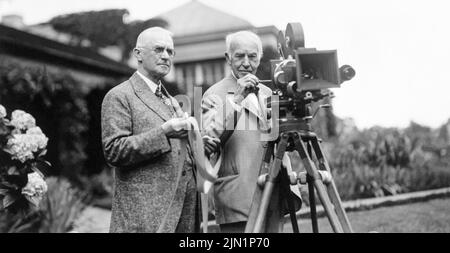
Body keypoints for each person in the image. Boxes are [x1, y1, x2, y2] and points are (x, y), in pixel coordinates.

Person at [101, 27, 218, 233]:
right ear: (138, 54)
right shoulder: (119, 96)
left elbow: (177, 149)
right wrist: (163, 132)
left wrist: (197, 144)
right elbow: (114, 151)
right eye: (158, 49)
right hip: (147, 217)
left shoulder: (171, 100)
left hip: (186, 213)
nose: (166, 56)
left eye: (170, 51)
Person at [202, 31, 283, 233]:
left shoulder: (267, 93)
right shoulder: (213, 94)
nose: (246, 63)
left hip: (272, 190)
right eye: (239, 56)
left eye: (252, 56)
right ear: (228, 58)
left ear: (259, 58)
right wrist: (237, 98)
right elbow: (210, 139)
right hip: (237, 194)